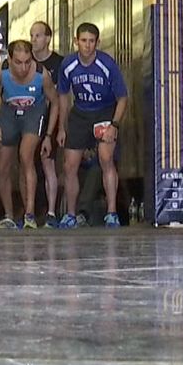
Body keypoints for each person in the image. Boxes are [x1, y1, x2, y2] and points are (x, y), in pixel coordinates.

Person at [57, 23, 128, 228]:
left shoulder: (107, 64)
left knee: (106, 158)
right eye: (83, 41)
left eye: (91, 41)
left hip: (105, 111)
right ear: (76, 41)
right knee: (70, 165)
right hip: (80, 113)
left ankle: (112, 213)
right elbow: (63, 96)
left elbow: (122, 98)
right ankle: (70, 214)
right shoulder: (68, 64)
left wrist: (114, 125)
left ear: (98, 42)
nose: (87, 46)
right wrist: (62, 127)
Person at [0, 40, 58, 229]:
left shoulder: (41, 75)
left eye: (28, 61)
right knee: (2, 166)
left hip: (34, 112)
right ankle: (8, 215)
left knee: (25, 156)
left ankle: (29, 213)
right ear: (9, 59)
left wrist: (49, 135)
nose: (23, 67)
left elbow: (55, 102)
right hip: (9, 112)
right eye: (18, 62)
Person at [30, 21, 64, 226]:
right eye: (32, 36)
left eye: (38, 36)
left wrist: (59, 128)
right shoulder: (25, 61)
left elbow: (61, 98)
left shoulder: (59, 63)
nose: (34, 40)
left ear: (48, 38)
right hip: (29, 117)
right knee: (28, 163)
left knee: (48, 163)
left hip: (51, 116)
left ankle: (51, 212)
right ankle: (30, 212)